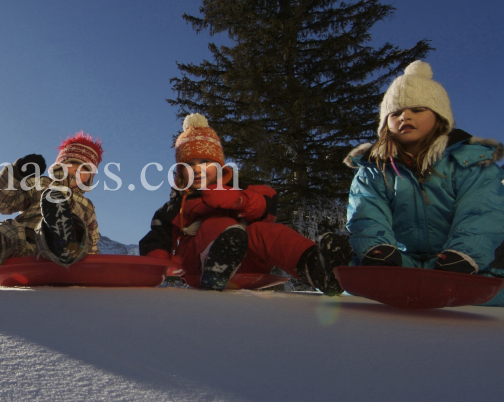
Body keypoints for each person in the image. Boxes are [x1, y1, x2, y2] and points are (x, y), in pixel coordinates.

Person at [344, 60, 504, 304]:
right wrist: (378, 251)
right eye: (395, 113)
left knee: (491, 291)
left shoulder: (470, 163)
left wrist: (464, 255)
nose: (404, 116)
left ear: (439, 117)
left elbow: (482, 213)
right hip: (399, 264)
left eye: (417, 110)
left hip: (462, 267)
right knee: (357, 282)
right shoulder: (374, 169)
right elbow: (366, 212)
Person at [139, 114, 352, 293]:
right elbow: (157, 239)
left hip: (246, 263)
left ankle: (314, 266)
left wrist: (240, 201)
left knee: (264, 231)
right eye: (189, 164)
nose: (197, 169)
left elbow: (267, 206)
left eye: (205, 162)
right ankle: (217, 263)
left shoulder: (237, 189)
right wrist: (160, 263)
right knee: (217, 223)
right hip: (200, 266)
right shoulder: (176, 207)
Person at [0, 132, 104, 281]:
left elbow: (92, 243)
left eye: (86, 169)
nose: (79, 170)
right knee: (6, 233)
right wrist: (17, 174)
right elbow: (2, 203)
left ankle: (63, 237)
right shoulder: (40, 184)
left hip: (54, 249)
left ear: (90, 177)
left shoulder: (87, 207)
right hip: (23, 235)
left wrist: (93, 270)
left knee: (79, 236)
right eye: (73, 163)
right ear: (62, 164)